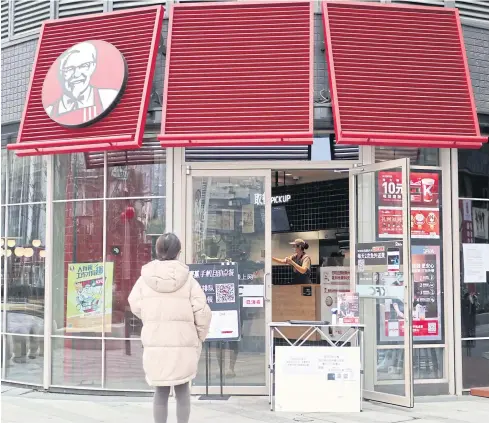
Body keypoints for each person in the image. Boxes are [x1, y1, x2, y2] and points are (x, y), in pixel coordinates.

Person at [128, 233, 212, 423]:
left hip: (155, 341)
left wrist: (151, 318)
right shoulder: (188, 280)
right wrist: (200, 336)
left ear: (157, 250)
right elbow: (202, 312)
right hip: (183, 342)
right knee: (183, 390)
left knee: (160, 389)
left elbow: (134, 303)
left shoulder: (145, 279)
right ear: (178, 252)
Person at [45, 41, 119, 125]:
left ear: (93, 67)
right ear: (61, 73)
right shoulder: (51, 110)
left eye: (84, 66)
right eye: (69, 69)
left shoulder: (107, 97)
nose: (76, 74)